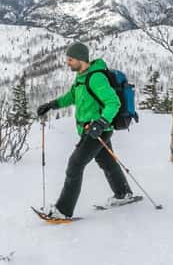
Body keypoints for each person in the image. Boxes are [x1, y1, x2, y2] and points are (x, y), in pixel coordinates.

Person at [34, 41, 134, 219]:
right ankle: (123, 193)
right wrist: (51, 105)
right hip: (91, 129)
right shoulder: (81, 77)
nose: (68, 62)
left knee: (75, 164)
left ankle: (63, 211)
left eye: (71, 59)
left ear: (81, 59)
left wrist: (101, 123)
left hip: (97, 130)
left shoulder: (96, 78)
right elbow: (71, 96)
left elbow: (114, 103)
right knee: (107, 162)